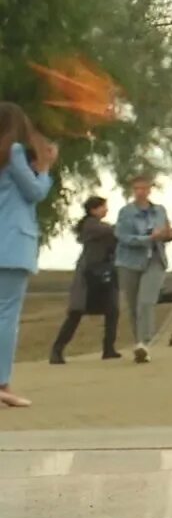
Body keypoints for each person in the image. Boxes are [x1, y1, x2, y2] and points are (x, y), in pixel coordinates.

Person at [1, 103, 57, 407]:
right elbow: (34, 192)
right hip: (12, 246)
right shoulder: (15, 152)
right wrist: (46, 167)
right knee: (7, 316)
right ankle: (2, 382)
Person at [51, 196, 121, 364]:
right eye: (103, 207)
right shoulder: (91, 225)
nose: (106, 210)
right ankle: (57, 350)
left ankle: (108, 348)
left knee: (112, 310)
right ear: (93, 210)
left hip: (103, 273)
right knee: (76, 312)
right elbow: (113, 231)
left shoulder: (97, 226)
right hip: (89, 275)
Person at [114, 174, 172, 363]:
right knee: (133, 306)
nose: (140, 192)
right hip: (129, 262)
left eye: (144, 188)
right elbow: (123, 236)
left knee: (146, 302)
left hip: (155, 260)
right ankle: (140, 344)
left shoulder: (159, 210)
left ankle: (144, 342)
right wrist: (149, 238)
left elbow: (166, 230)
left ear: (150, 189)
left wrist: (169, 234)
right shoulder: (126, 212)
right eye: (136, 189)